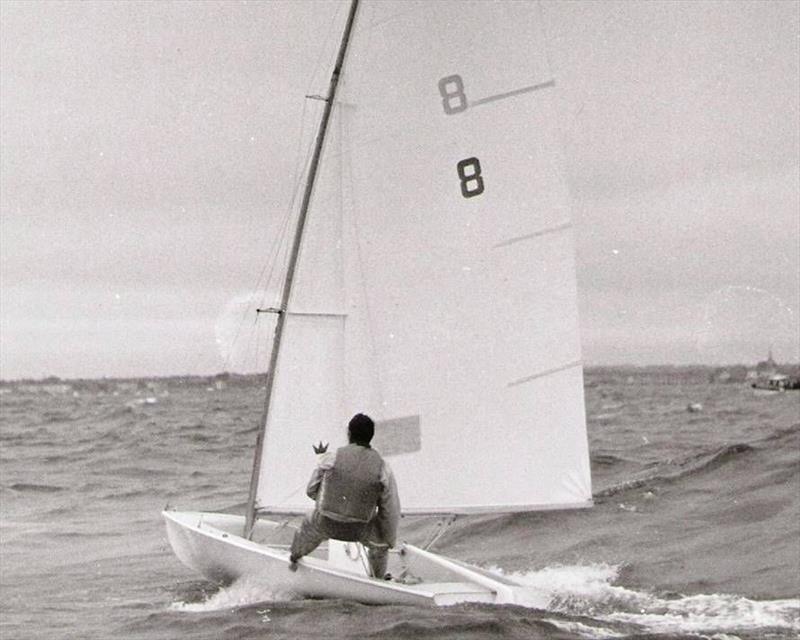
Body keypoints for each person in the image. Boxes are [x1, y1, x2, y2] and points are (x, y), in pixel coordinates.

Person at [288, 413, 400, 578]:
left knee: (308, 523)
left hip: (325, 523)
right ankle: (378, 580)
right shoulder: (383, 467)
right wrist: (389, 540)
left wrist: (327, 501)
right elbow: (390, 509)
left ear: (349, 434)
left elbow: (311, 489)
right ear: (371, 437)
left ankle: (293, 559)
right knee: (380, 546)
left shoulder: (331, 458)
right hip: (360, 530)